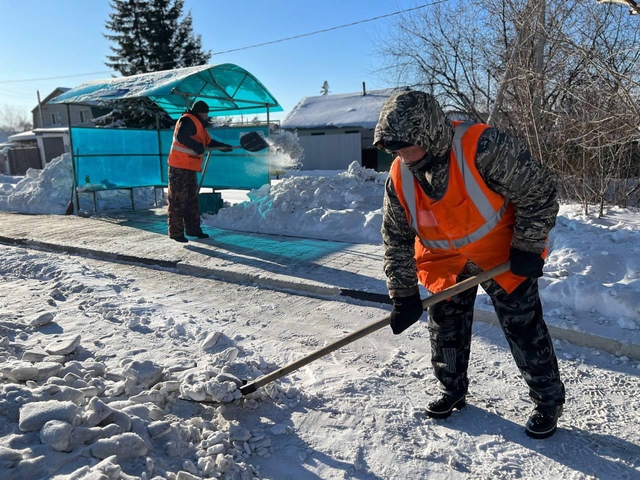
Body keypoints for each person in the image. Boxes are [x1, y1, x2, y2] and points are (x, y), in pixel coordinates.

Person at [373, 90, 565, 439]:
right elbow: (396, 236)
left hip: (502, 254)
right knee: (444, 327)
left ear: (427, 134)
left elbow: (539, 190)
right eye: (394, 150)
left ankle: (547, 401)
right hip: (444, 260)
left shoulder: (483, 147)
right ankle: (452, 389)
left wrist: (528, 246)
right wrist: (402, 292)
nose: (400, 156)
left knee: (524, 329)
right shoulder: (399, 175)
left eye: (406, 147)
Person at [167, 100, 233, 243]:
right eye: (206, 113)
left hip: (189, 167)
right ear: (201, 112)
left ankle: (193, 229)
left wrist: (223, 146)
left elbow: (208, 142)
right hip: (179, 167)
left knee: (191, 199)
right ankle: (176, 232)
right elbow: (181, 137)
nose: (206, 116)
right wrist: (197, 146)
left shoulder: (199, 126)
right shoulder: (188, 120)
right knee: (178, 200)